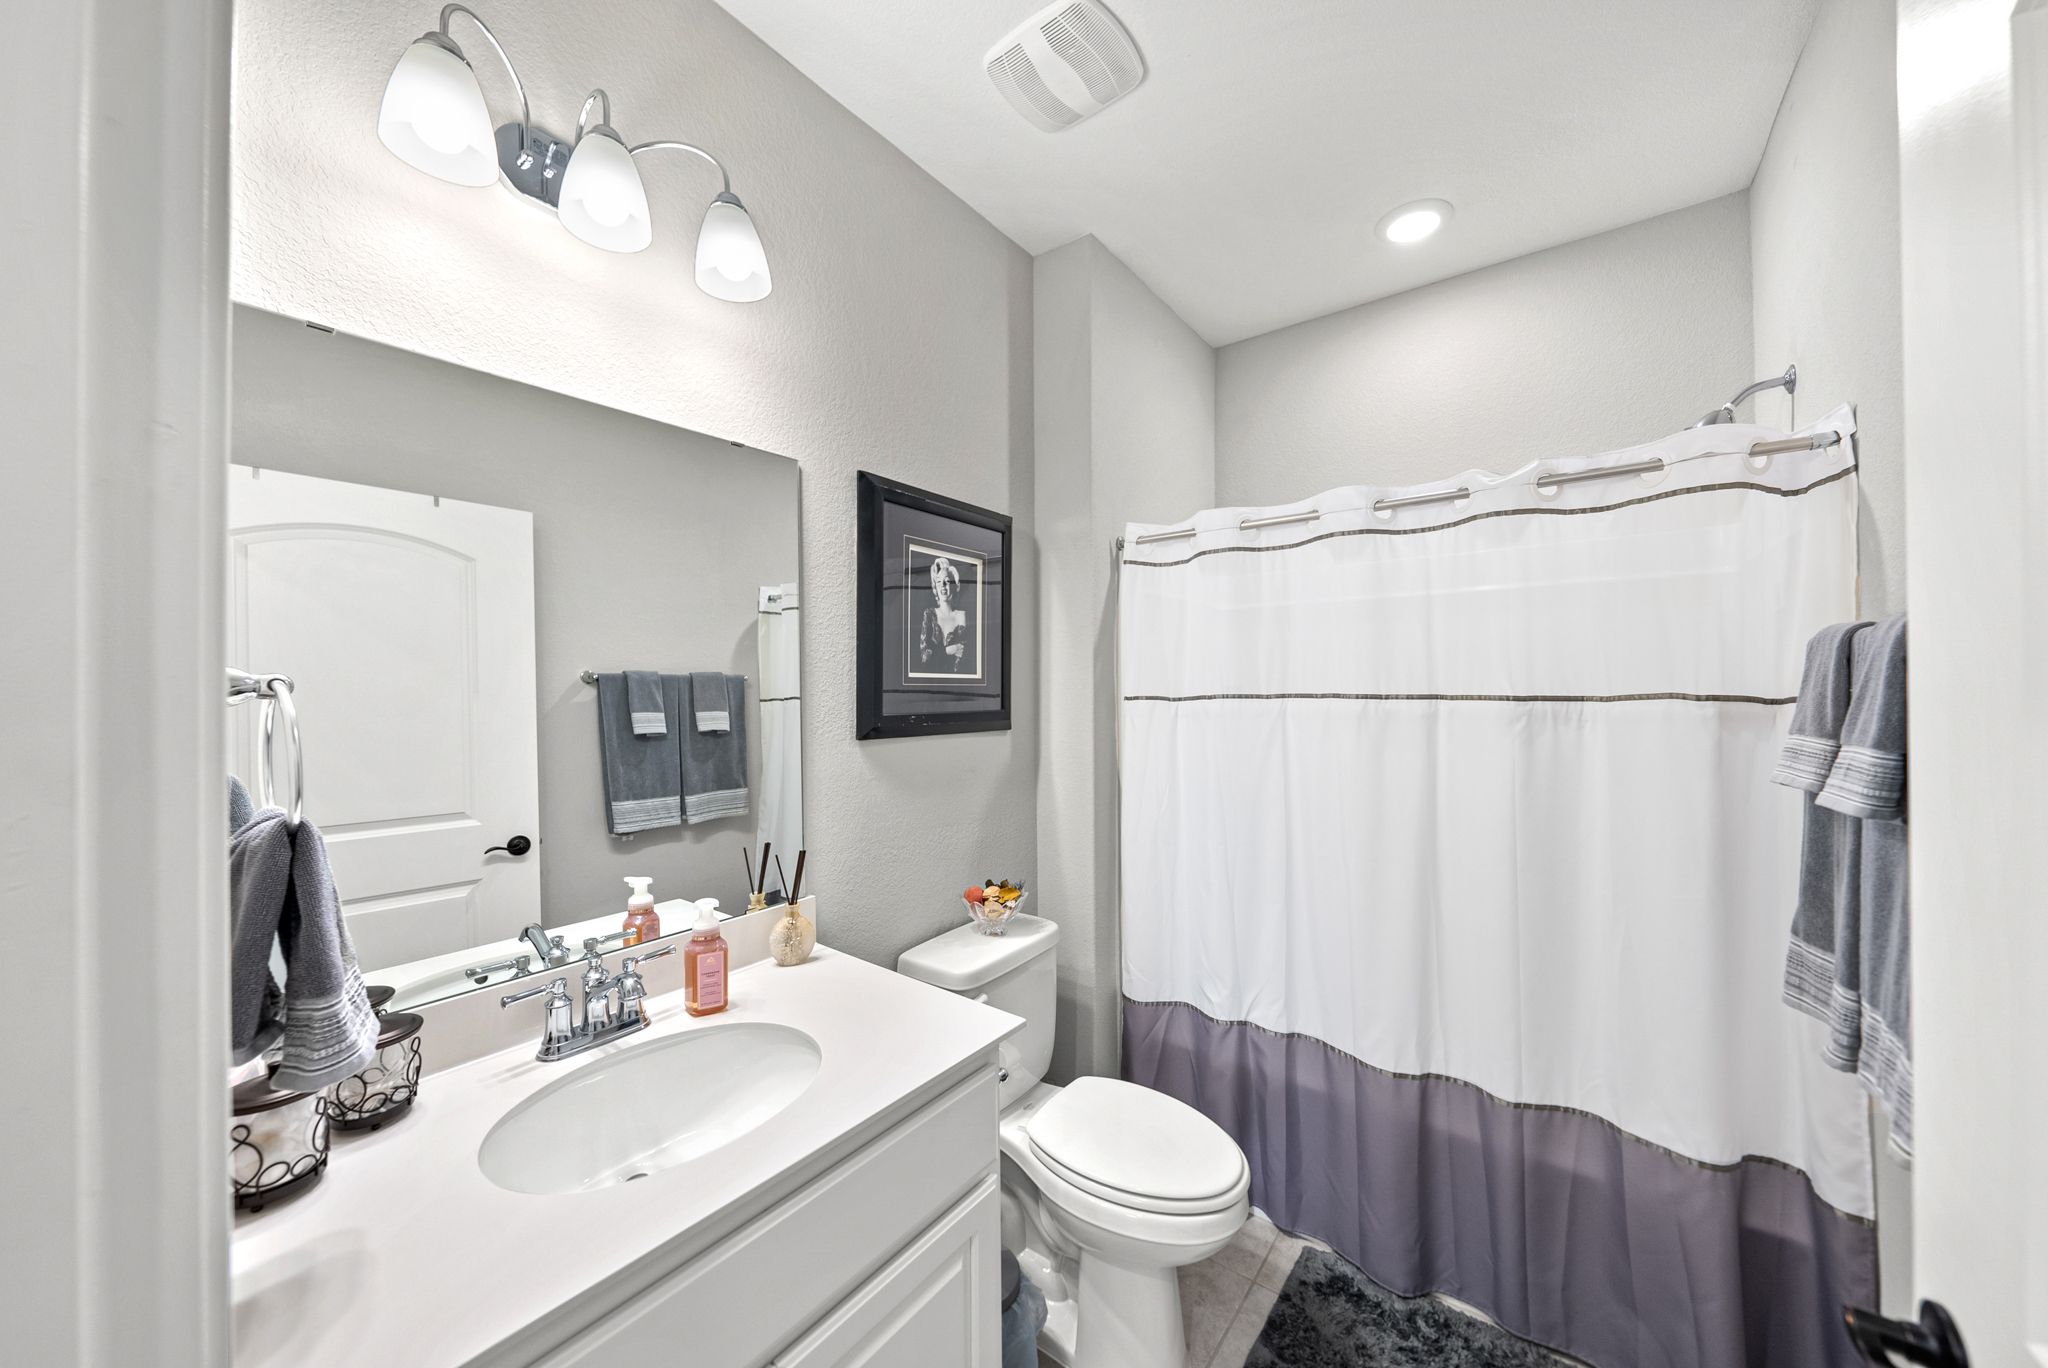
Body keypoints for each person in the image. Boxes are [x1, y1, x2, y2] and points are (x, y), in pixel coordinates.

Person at [917, 556, 971, 672]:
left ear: (954, 585)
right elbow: (924, 657)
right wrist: (949, 650)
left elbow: (968, 655)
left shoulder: (963, 615)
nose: (943, 585)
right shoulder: (929, 614)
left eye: (947, 581)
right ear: (935, 586)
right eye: (938, 582)